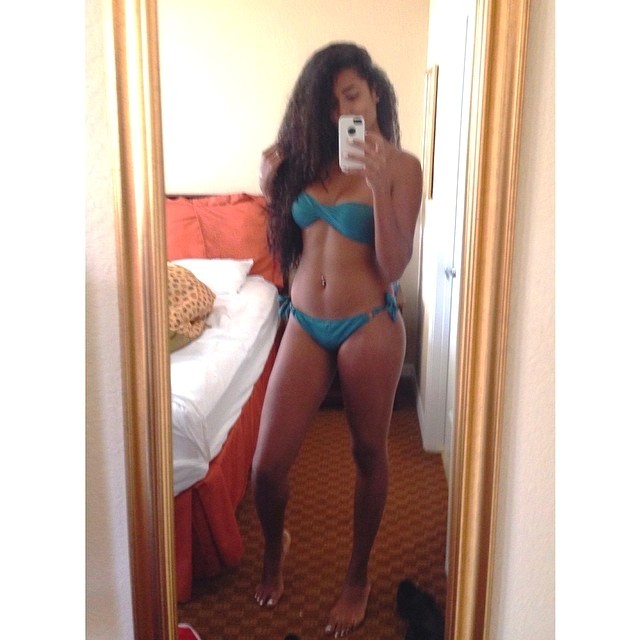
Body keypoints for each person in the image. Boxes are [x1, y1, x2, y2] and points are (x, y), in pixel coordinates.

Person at [251, 42, 423, 638]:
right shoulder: (306, 159)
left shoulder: (402, 168)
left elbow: (393, 264)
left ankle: (357, 575)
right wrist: (270, 182)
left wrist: (377, 187)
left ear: (375, 92)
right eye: (330, 104)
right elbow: (286, 239)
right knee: (266, 468)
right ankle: (275, 546)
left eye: (351, 96)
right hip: (304, 322)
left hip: (368, 321)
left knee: (368, 453)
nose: (343, 111)